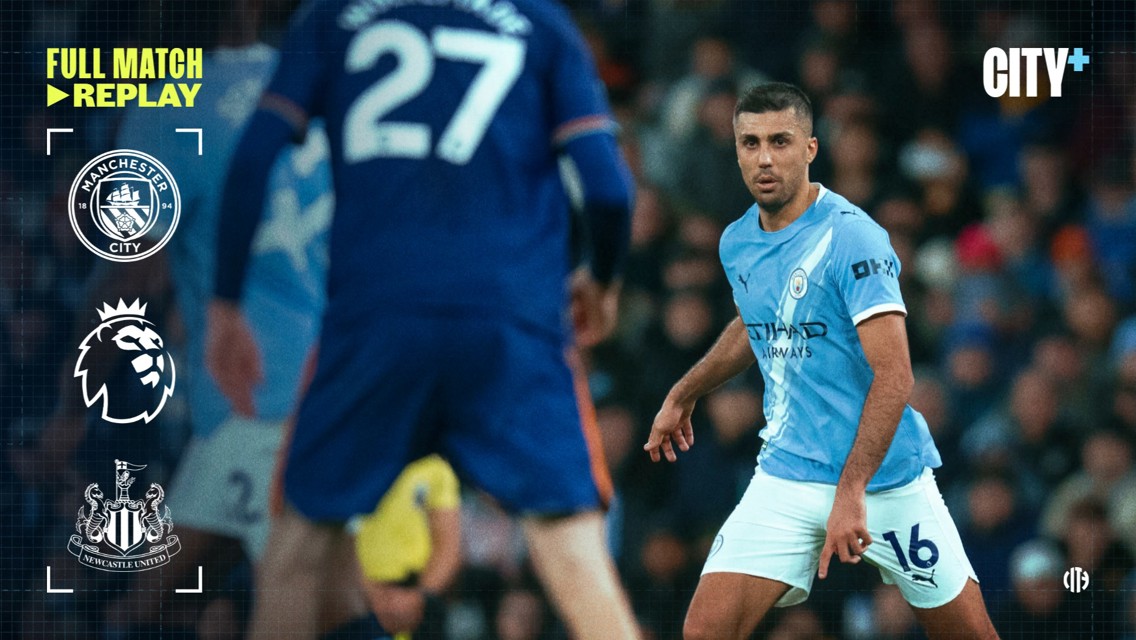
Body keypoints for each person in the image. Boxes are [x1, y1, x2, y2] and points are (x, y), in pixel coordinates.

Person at [206, 1, 640, 639]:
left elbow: (252, 159)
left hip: (374, 319)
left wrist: (223, 304)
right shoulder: (541, 23)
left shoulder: (330, 19)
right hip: (511, 322)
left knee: (296, 551)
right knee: (574, 551)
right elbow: (607, 187)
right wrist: (602, 280)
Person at [644, 82, 999, 640]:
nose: (764, 158)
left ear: (810, 149)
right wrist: (685, 391)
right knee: (705, 629)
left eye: (780, 141)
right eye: (750, 142)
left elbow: (896, 373)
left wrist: (851, 491)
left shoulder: (854, 237)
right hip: (787, 472)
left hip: (884, 481)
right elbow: (755, 322)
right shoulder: (737, 240)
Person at [353, 455, 462, 639]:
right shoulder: (350, 452)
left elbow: (448, 546)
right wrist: (366, 593)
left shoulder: (434, 462)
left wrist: (419, 597)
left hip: (412, 601)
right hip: (350, 596)